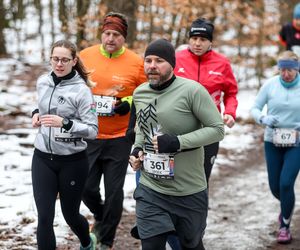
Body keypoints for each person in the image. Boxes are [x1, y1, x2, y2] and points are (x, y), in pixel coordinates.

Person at [129, 38, 224, 250]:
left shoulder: (193, 91)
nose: (152, 65)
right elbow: (143, 131)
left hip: (188, 190)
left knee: (191, 245)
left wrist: (177, 142)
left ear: (172, 64)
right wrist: (136, 151)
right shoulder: (140, 93)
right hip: (151, 188)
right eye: (148, 60)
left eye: (159, 60)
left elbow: (217, 129)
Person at [79, 12, 147, 250]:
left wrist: (127, 102)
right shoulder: (85, 56)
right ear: (101, 34)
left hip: (119, 136)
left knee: (114, 191)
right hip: (90, 134)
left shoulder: (136, 62)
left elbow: (144, 93)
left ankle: (105, 241)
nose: (110, 38)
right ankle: (100, 216)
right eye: (107, 33)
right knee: (85, 186)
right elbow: (74, 86)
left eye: (116, 34)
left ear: (123, 37)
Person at [31, 40, 98, 250]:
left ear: (74, 61)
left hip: (72, 162)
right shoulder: (43, 81)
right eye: (55, 59)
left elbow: (93, 130)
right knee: (44, 217)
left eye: (64, 60)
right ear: (50, 59)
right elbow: (43, 106)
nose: (59, 64)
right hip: (42, 157)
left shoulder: (82, 91)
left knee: (70, 215)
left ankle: (87, 242)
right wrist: (35, 114)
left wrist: (66, 123)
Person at [174, 17, 238, 184]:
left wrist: (230, 112)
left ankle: (198, 209)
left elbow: (231, 92)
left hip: (209, 128)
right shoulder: (176, 59)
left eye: (203, 39)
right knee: (177, 176)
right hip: (179, 127)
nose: (197, 43)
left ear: (210, 42)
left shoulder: (222, 63)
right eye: (194, 38)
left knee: (202, 178)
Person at [251, 50, 300, 244]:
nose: (285, 74)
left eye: (289, 70)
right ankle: (287, 206)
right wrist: (263, 118)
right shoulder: (270, 85)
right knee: (275, 187)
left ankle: (284, 226)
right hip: (273, 140)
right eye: (282, 69)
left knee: (286, 183)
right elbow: (254, 107)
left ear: (297, 69)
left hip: (296, 142)